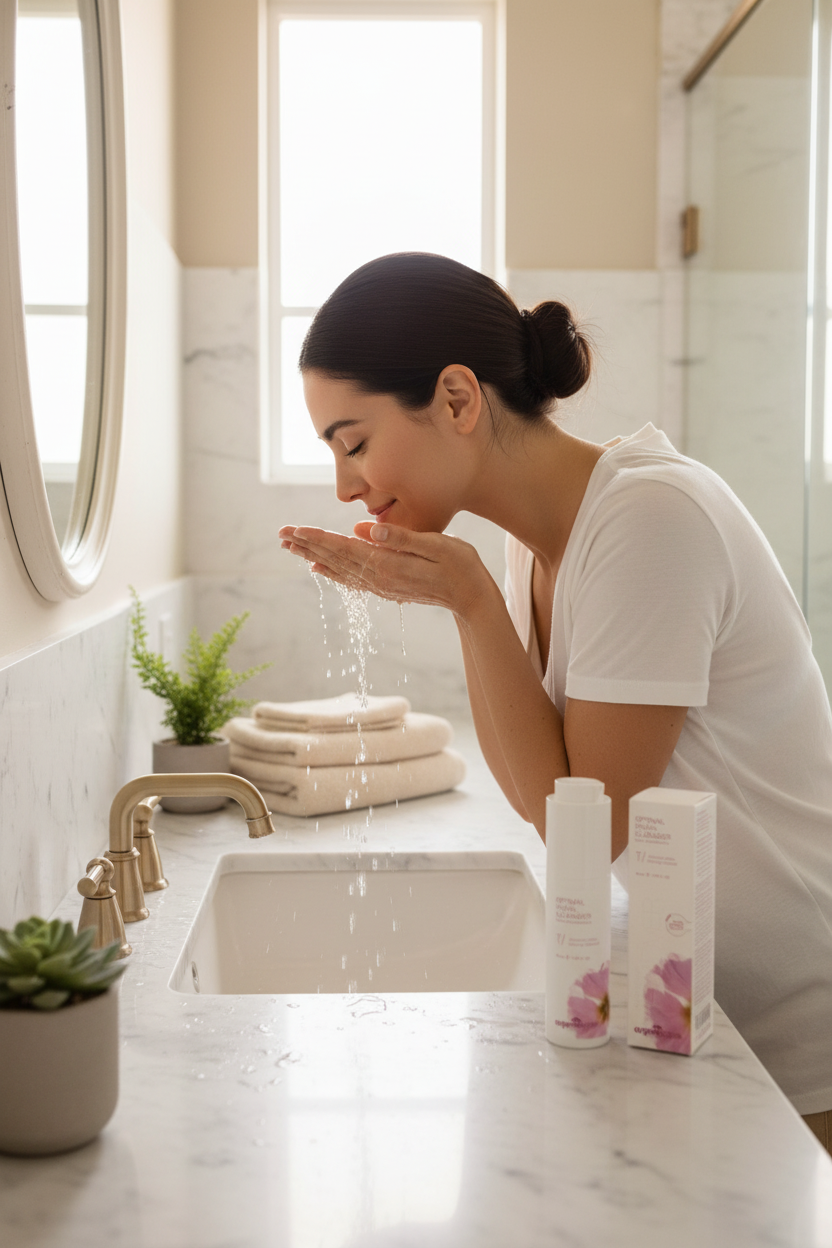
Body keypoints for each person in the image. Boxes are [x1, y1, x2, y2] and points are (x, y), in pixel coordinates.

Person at [279, 251, 832, 1145]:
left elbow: (594, 822)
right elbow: (547, 802)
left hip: (799, 1026)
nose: (346, 485)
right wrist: (469, 604)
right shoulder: (529, 546)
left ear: (458, 398)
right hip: (705, 999)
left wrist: (468, 604)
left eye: (354, 441)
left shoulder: (651, 519)